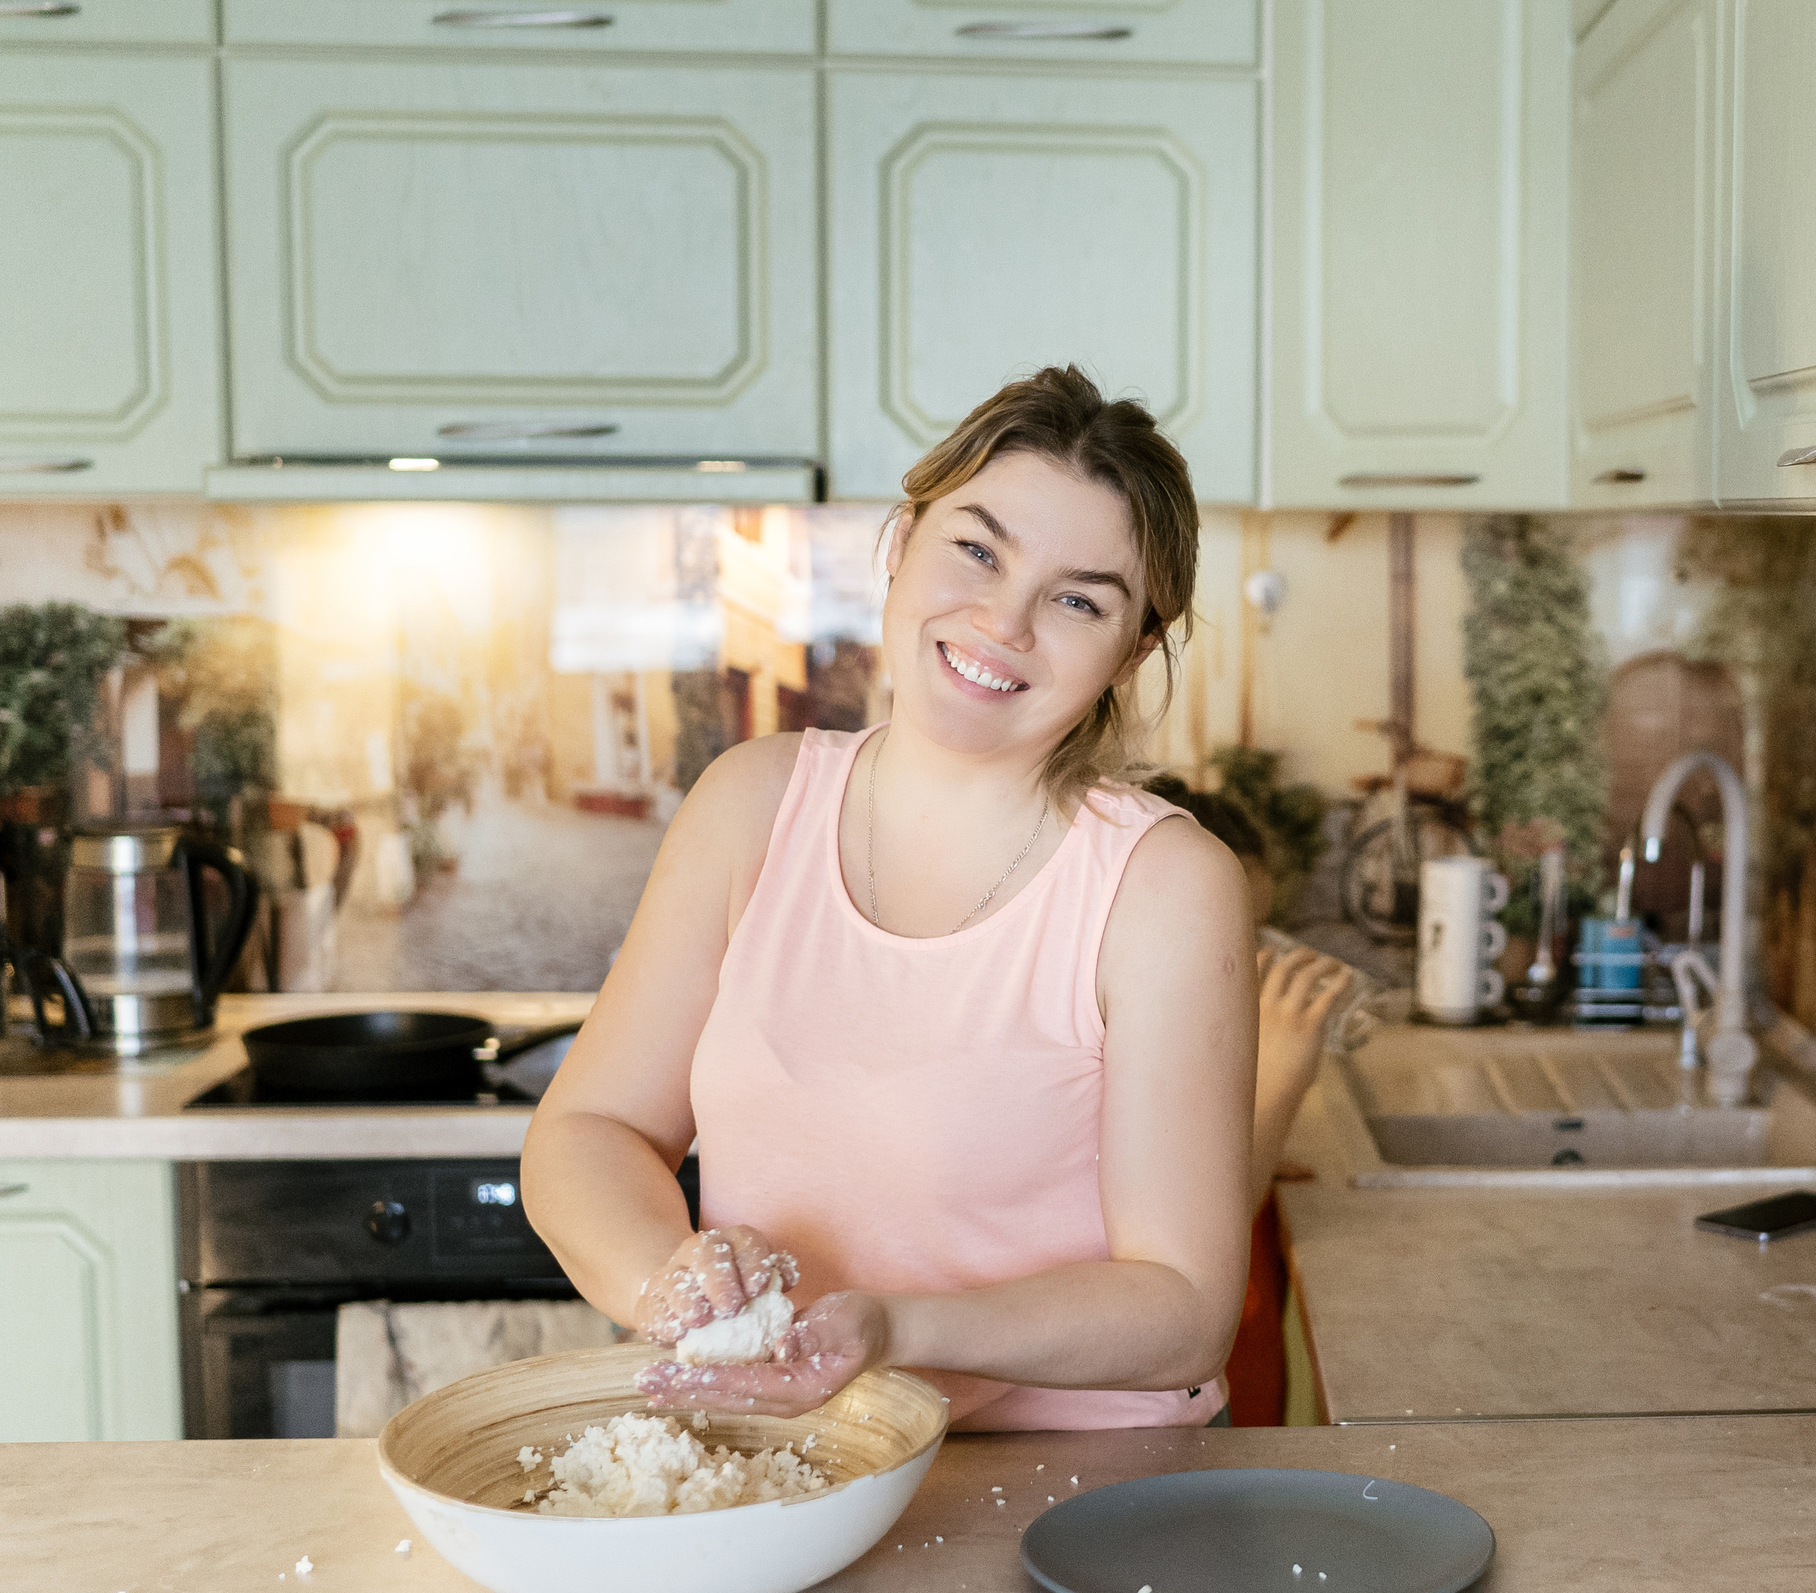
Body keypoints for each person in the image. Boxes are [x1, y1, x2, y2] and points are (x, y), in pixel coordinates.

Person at [520, 367, 1258, 1429]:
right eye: (976, 548)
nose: (1003, 620)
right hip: (789, 1473)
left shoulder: (1164, 888)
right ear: (901, 541)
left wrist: (895, 1332)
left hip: (1073, 1500)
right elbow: (587, 1130)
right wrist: (673, 1285)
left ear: (1133, 648)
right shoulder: (751, 805)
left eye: (1079, 599)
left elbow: (1183, 1310)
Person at [1143, 778, 1356, 1424]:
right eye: (1241, 931)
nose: (1259, 956)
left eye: (1262, 929)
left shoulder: (1193, 1013)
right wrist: (1282, 1088)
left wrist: (1253, 1134)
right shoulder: (1133, 1031)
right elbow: (1204, 1231)